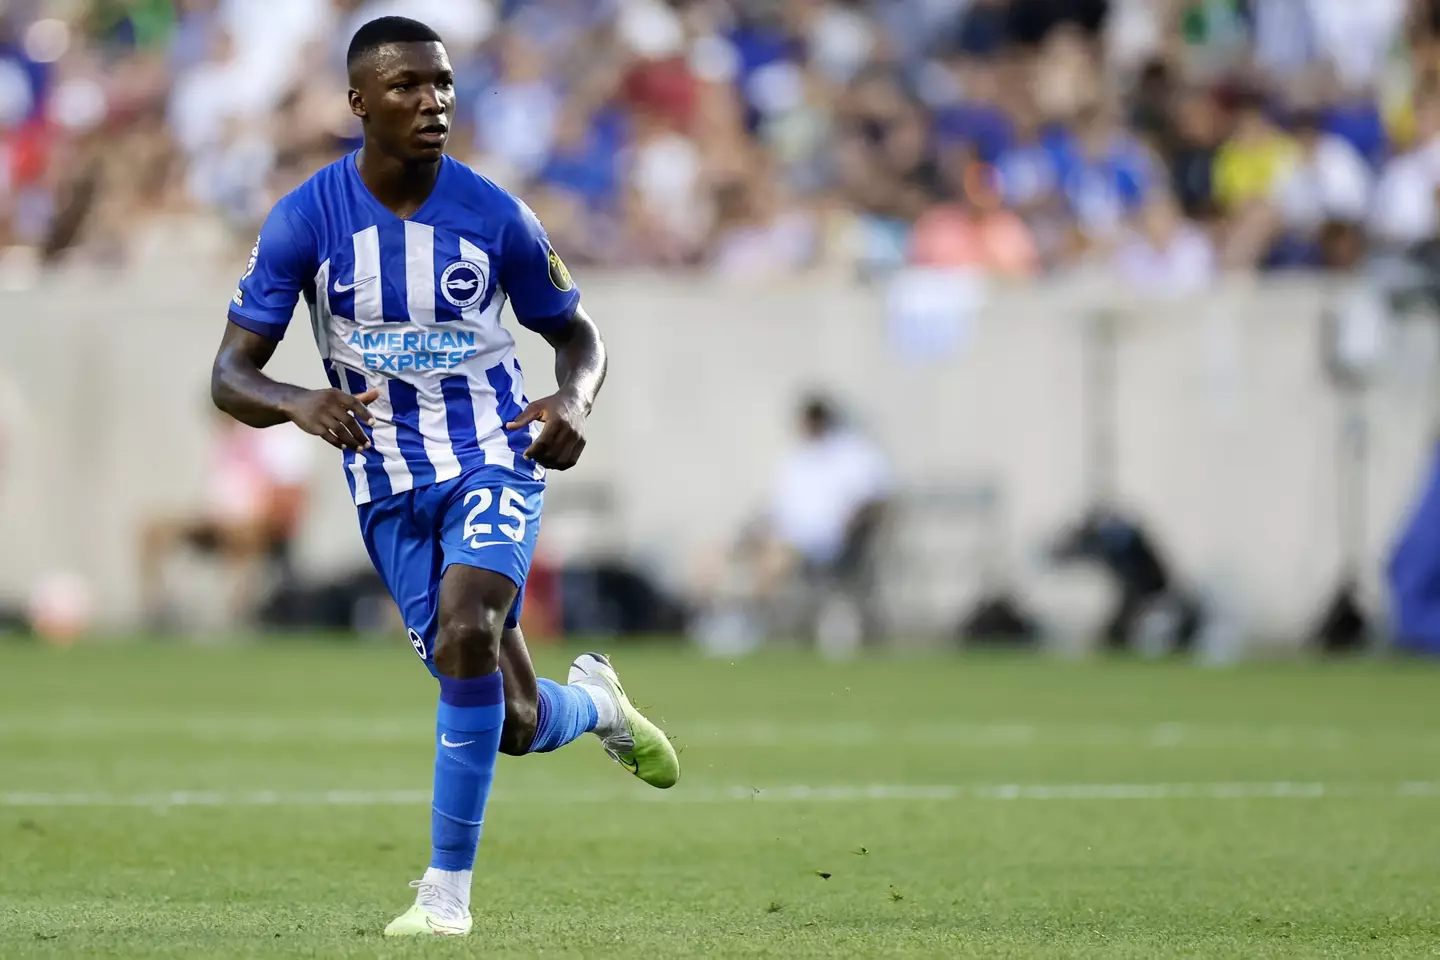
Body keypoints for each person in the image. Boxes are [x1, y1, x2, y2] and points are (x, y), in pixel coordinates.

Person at [209, 17, 679, 938]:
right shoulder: (307, 218)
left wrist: (572, 401)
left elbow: (576, 333)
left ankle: (444, 896)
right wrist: (301, 401)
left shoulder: (496, 214)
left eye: (443, 85)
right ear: (358, 104)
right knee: (510, 715)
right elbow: (229, 375)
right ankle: (596, 708)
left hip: (491, 454)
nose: (432, 103)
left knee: (470, 627)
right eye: (407, 87)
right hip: (386, 483)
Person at [137, 408, 314, 630]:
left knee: (239, 534)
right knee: (154, 528)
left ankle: (235, 614)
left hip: (255, 522)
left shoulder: (278, 438)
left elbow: (288, 498)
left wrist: (255, 516)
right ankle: (160, 611)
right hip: (214, 518)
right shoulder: (225, 440)